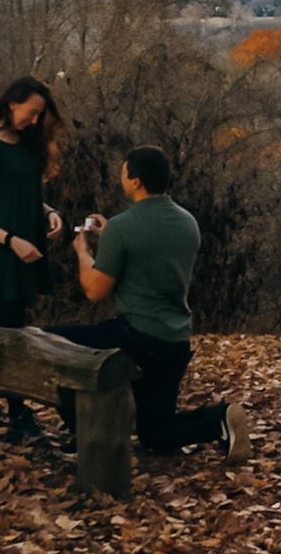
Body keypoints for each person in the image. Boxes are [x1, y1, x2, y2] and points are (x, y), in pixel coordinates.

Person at [56, 145, 251, 463]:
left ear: (135, 181)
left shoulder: (122, 227)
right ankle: (219, 418)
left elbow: (94, 290)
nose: (122, 176)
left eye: (123, 171)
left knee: (54, 343)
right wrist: (111, 237)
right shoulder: (188, 222)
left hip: (136, 336)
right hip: (174, 341)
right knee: (155, 433)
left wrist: (83, 251)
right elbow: (152, 253)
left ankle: (84, 432)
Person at [0, 75, 64, 439]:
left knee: (9, 331)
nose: (34, 121)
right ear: (12, 103)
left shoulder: (25, 144)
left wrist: (48, 211)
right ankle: (19, 414)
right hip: (5, 256)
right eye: (31, 113)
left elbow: (22, 193)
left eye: (39, 116)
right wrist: (10, 240)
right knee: (13, 334)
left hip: (29, 251)